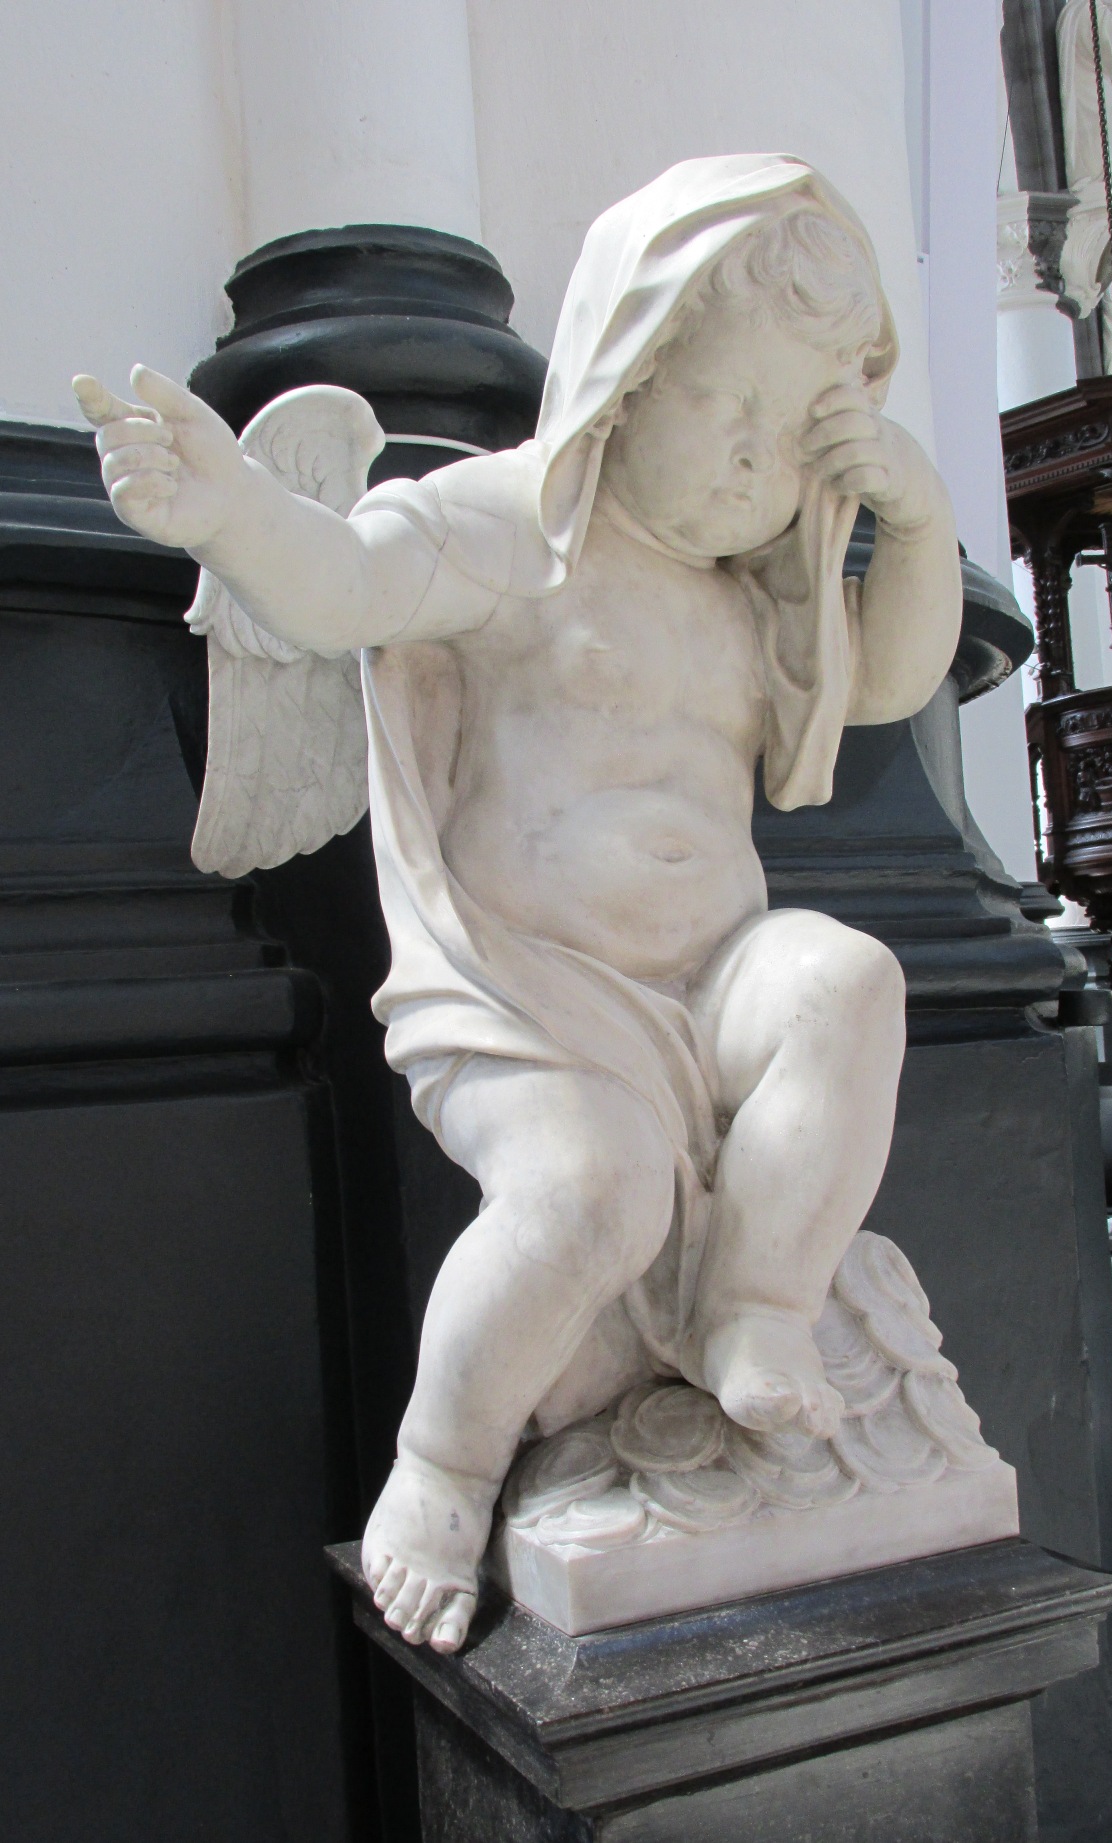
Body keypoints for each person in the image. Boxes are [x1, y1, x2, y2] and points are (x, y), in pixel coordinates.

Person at [75, 155, 961, 1654]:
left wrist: (917, 526)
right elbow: (344, 587)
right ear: (624, 371)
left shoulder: (748, 595)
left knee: (845, 981)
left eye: (790, 440)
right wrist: (231, 512)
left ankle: (755, 1302)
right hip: (525, 1001)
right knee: (591, 1187)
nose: (752, 464)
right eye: (726, 410)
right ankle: (444, 1466)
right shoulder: (508, 530)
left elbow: (884, 680)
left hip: (714, 980)